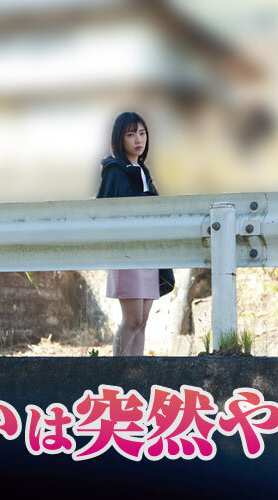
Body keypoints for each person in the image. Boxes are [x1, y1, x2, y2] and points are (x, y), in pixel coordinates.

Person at [96, 112, 161, 356]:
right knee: (131, 320)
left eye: (142, 133)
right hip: (126, 253)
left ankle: (137, 373)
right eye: (131, 134)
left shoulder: (143, 170)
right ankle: (118, 372)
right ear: (119, 138)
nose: (138, 140)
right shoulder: (115, 171)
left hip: (148, 253)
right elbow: (106, 210)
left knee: (142, 321)